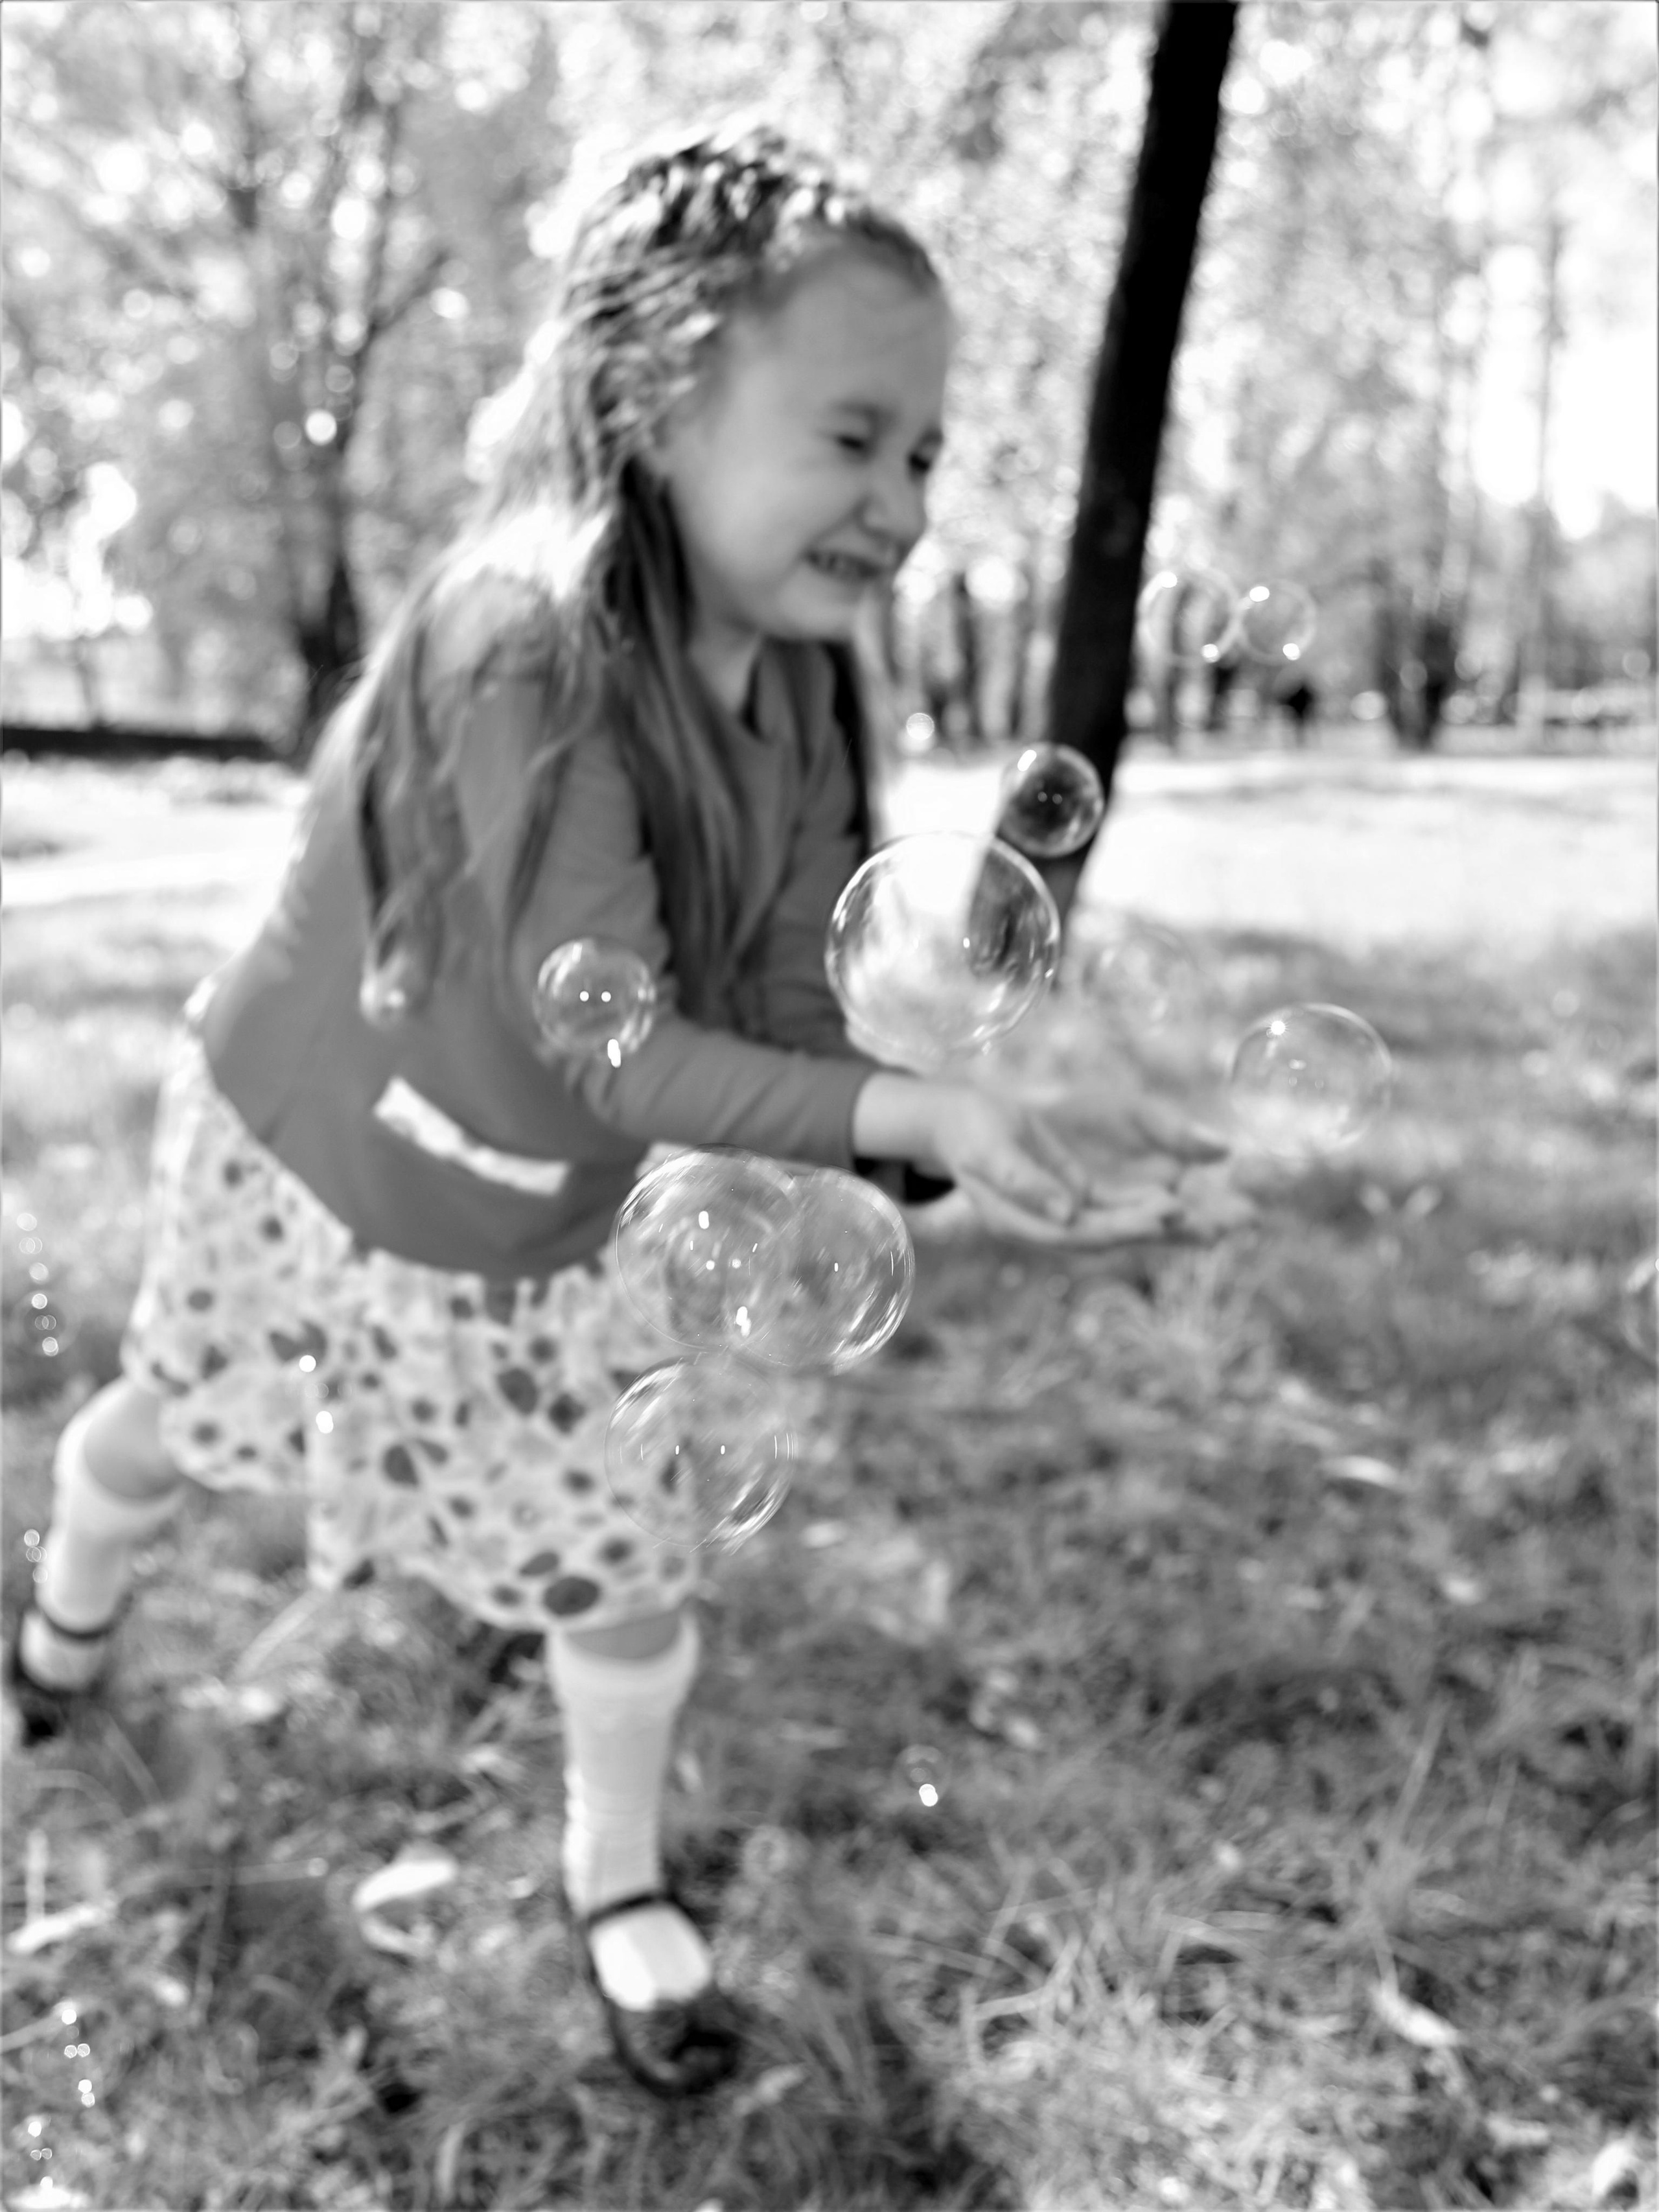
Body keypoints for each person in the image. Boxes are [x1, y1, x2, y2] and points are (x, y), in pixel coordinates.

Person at [8, 122, 1221, 2096]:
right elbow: (614, 1037)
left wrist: (933, 1137)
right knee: (175, 1420)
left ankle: (618, 1876)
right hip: (319, 1153)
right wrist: (903, 1104)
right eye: (852, 437)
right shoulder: (524, 642)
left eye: (923, 453)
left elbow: (755, 1009)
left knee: (623, 1564)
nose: (902, 501)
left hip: (543, 1220)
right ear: (661, 396)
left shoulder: (817, 696)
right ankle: (64, 1616)